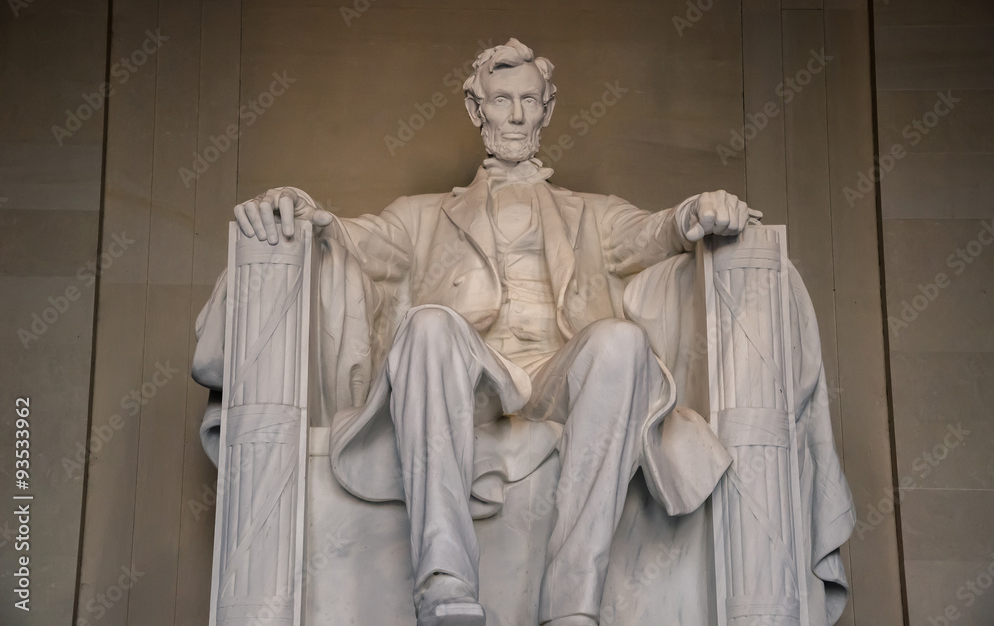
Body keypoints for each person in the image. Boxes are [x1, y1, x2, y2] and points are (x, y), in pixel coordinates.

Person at [232, 39, 756, 626]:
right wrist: (298, 207)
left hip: (560, 378)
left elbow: (656, 231)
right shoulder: (423, 214)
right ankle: (446, 583)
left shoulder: (594, 212)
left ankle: (571, 604)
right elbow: (353, 239)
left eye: (527, 100)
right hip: (471, 378)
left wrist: (698, 211)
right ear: (475, 107)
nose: (513, 115)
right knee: (428, 324)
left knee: (623, 341)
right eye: (500, 99)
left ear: (547, 109)